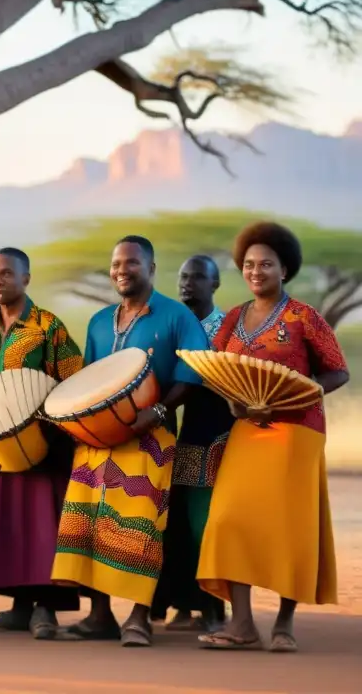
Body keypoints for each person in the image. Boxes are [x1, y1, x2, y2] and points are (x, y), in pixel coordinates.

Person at [198, 222, 349, 653]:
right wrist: (234, 402)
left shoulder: (305, 317)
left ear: (285, 269)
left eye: (266, 263)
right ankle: (242, 623)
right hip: (247, 429)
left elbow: (338, 370)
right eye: (248, 264)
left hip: (296, 431)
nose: (256, 270)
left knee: (289, 527)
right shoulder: (232, 318)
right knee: (230, 519)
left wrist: (299, 394)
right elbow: (219, 373)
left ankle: (284, 624)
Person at [51, 236, 210, 647]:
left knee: (140, 527)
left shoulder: (176, 316)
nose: (122, 270)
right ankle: (99, 616)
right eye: (116, 263)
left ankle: (139, 617)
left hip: (150, 438)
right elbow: (88, 377)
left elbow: (194, 373)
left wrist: (156, 412)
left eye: (132, 263)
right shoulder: (100, 321)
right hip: (96, 443)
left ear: (151, 269)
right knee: (88, 526)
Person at [0, 248, 83, 638]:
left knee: (42, 527)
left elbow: (72, 380)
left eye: (6, 273)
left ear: (25, 279)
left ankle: (45, 610)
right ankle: (19, 606)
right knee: (6, 526)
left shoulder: (47, 326)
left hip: (40, 447)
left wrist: (50, 429)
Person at [151, 256, 232, 632]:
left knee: (208, 524)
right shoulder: (173, 324)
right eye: (184, 277)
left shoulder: (228, 328)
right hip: (176, 437)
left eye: (198, 277)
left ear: (215, 284)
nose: (189, 284)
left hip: (217, 436)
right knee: (177, 523)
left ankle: (215, 609)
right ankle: (184, 604)